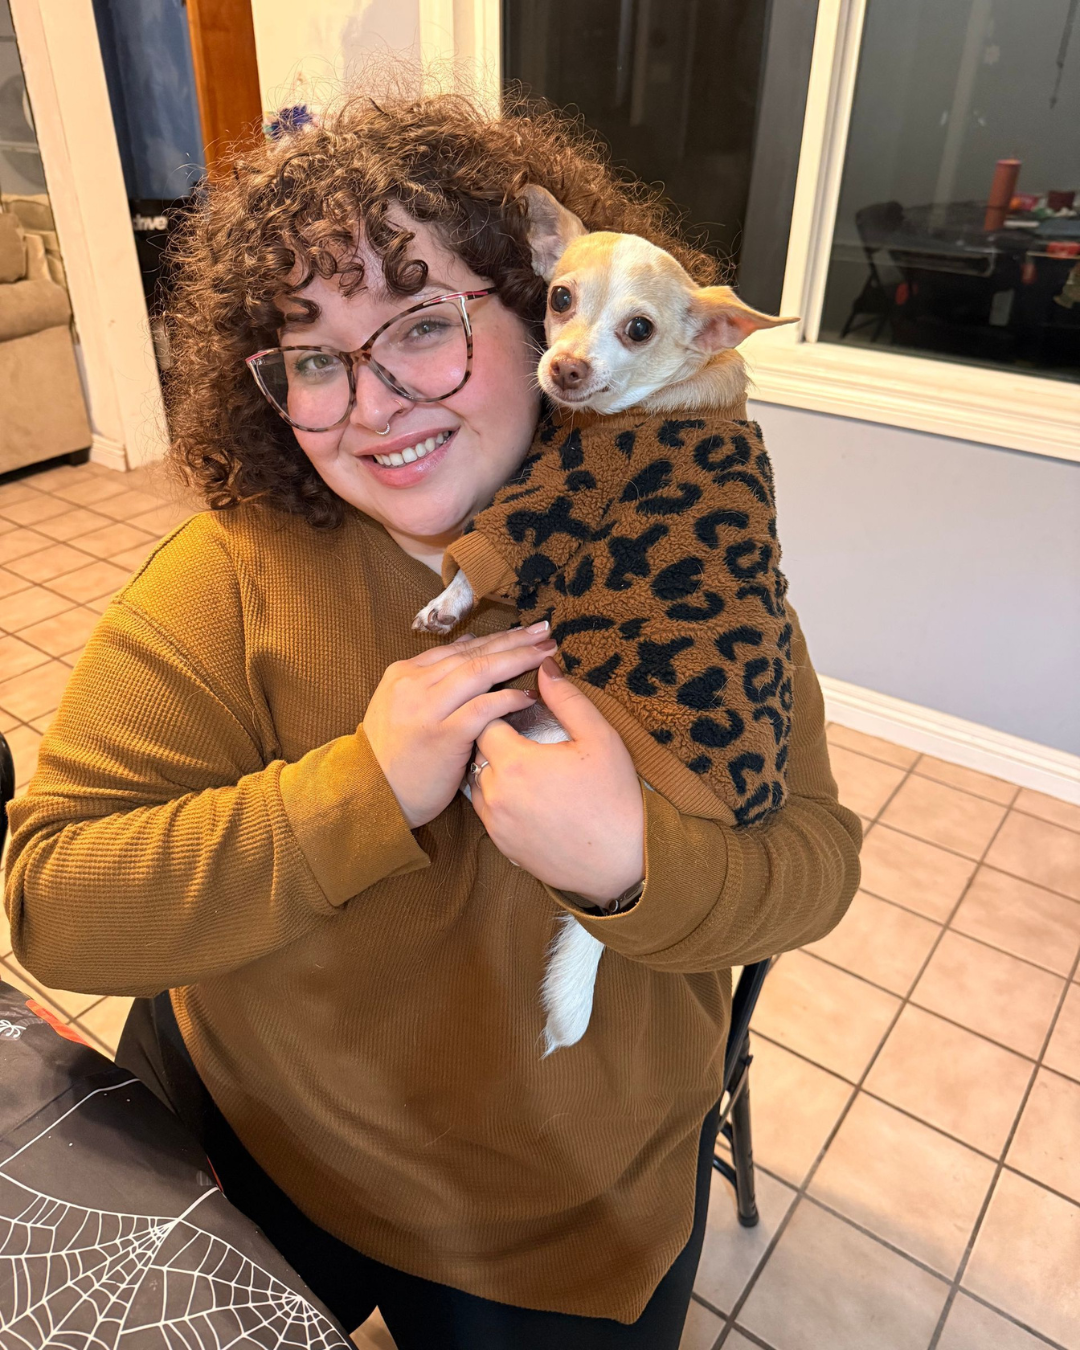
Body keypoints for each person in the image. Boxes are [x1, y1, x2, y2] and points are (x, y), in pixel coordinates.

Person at [3, 90, 861, 1348]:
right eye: (314, 357)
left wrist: (635, 867)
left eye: (422, 327)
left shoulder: (692, 571)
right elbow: (52, 904)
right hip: (258, 1142)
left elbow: (816, 865)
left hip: (562, 1222)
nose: (374, 402)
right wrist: (358, 792)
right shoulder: (232, 575)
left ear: (536, 315)